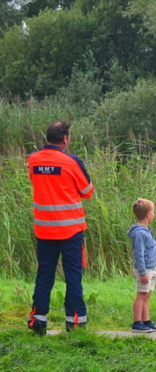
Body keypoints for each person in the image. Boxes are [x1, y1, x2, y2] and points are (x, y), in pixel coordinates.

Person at [27, 120, 94, 335]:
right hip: (71, 230)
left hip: (44, 230)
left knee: (44, 275)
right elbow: (87, 191)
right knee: (73, 275)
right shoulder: (71, 162)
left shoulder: (33, 160)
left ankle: (38, 322)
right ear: (65, 139)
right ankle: (75, 324)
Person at [129, 198, 156, 333]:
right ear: (148, 215)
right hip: (144, 270)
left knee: (147, 295)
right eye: (153, 212)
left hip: (151, 268)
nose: (154, 214)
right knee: (141, 295)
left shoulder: (147, 230)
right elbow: (139, 254)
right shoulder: (139, 233)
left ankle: (146, 320)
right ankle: (137, 322)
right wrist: (143, 272)